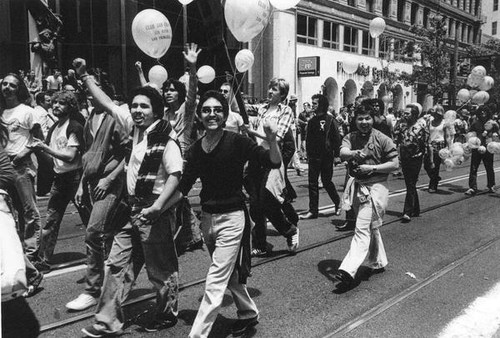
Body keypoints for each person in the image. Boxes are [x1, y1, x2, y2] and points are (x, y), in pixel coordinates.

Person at [164, 90, 281, 338]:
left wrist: (272, 140)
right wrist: (158, 209)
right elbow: (183, 187)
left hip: (233, 219)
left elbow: (273, 162)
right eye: (206, 110)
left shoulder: (237, 142)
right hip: (208, 220)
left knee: (216, 279)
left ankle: (198, 334)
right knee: (230, 275)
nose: (212, 114)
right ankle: (248, 313)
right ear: (199, 115)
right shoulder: (196, 149)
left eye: (217, 110)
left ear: (225, 114)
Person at [78, 82, 182, 337]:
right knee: (115, 264)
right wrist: (86, 78)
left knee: (159, 269)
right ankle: (107, 322)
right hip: (132, 208)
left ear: (155, 111)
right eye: (134, 105)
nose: (137, 110)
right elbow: (108, 104)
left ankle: (167, 313)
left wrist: (157, 207)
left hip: (154, 209)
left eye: (143, 106)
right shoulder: (134, 128)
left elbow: (175, 175)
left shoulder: (166, 138)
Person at [65, 64, 130, 312]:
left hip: (110, 184)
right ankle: (111, 281)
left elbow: (129, 153)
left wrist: (109, 179)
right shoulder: (92, 116)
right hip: (92, 183)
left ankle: (92, 290)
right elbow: (88, 154)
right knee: (110, 233)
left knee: (93, 232)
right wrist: (83, 183)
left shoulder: (116, 116)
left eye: (93, 89)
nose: (89, 94)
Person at [332, 103, 399, 291]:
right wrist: (354, 153)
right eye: (360, 118)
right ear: (354, 120)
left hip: (377, 187)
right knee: (371, 226)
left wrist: (372, 168)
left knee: (361, 226)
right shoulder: (350, 137)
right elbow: (342, 153)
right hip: (357, 187)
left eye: (367, 118)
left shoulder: (383, 139)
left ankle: (348, 269)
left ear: (374, 119)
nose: (363, 122)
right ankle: (378, 261)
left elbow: (394, 163)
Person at [28, 91, 85, 271]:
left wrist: (44, 147)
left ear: (70, 106)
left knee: (88, 218)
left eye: (61, 103)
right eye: (54, 103)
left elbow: (70, 156)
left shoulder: (74, 127)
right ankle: (43, 260)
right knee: (51, 220)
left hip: (75, 178)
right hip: (60, 178)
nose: (56, 106)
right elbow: (51, 159)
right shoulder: (54, 128)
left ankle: (101, 254)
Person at [246, 78, 299, 256]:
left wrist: (252, 132)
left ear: (282, 94)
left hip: (272, 159)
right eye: (270, 87)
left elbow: (277, 138)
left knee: (267, 201)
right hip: (256, 158)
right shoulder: (261, 109)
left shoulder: (286, 111)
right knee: (254, 204)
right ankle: (260, 244)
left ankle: (289, 230)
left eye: (274, 89)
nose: (269, 91)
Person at [0, 73, 44, 268]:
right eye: (5, 84)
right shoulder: (0, 111)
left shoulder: (27, 111)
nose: (7, 88)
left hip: (21, 166)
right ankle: (17, 254)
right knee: (8, 213)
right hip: (3, 167)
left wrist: (23, 153)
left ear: (19, 89)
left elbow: (38, 139)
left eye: (12, 85)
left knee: (28, 211)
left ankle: (32, 254)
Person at [300, 94, 342, 220]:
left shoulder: (330, 120)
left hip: (327, 156)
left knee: (326, 181)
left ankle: (338, 202)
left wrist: (337, 155)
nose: (312, 105)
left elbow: (336, 138)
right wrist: (307, 153)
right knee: (312, 183)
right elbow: (309, 139)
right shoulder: (312, 121)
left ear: (322, 105)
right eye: (312, 103)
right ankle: (313, 210)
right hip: (314, 156)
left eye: (315, 103)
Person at [393, 104, 430, 222]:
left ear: (414, 115)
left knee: (411, 183)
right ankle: (416, 209)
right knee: (410, 184)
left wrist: (429, 159)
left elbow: (427, 143)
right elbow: (396, 138)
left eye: (407, 113)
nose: (404, 115)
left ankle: (407, 211)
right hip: (404, 158)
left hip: (416, 158)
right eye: (404, 113)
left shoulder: (422, 126)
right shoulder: (402, 126)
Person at [465, 105, 496, 195]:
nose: (482, 113)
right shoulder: (475, 123)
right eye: (481, 111)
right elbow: (470, 133)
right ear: (478, 113)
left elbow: (498, 132)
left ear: (487, 112)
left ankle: (491, 185)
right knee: (474, 168)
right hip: (477, 148)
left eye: (484, 111)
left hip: (488, 148)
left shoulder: (492, 123)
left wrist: (493, 135)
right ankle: (472, 187)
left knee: (489, 167)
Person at [423, 105, 447, 193]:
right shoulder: (430, 122)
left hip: (439, 144)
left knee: (435, 166)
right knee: (426, 165)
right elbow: (427, 132)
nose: (434, 115)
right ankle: (435, 178)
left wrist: (447, 147)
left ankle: (433, 186)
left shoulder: (444, 123)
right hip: (430, 144)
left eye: (436, 113)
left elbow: (447, 136)